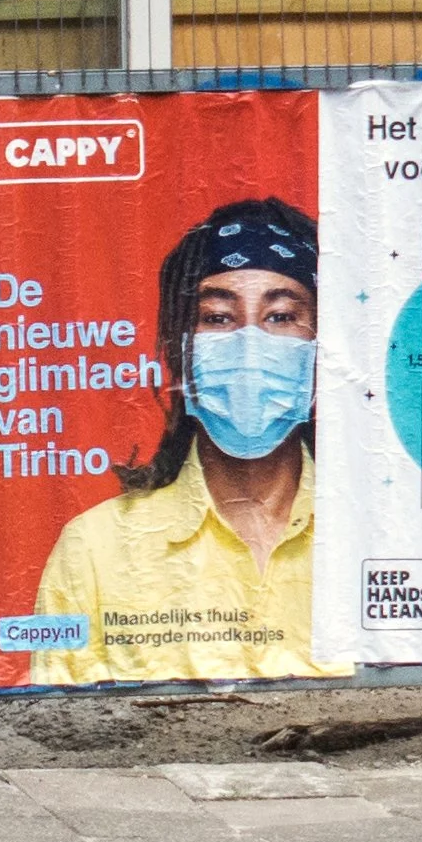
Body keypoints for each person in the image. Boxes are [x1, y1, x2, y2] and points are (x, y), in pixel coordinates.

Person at [29, 195, 350, 684]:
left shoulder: (367, 538)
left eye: (281, 317)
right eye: (218, 318)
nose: (249, 345)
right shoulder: (95, 551)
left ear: (321, 346)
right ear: (179, 348)